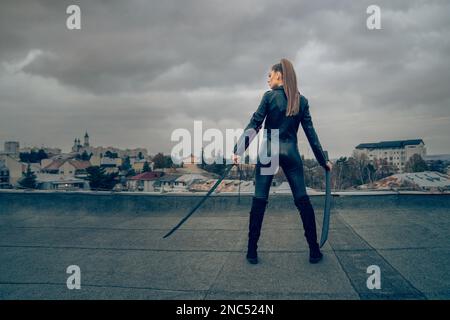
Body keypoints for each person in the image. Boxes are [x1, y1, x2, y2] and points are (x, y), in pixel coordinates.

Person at [231, 58, 332, 265]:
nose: (268, 79)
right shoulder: (301, 101)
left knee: (259, 199)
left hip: (269, 150)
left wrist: (238, 150)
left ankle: (251, 252)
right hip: (291, 152)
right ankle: (314, 251)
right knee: (302, 200)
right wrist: (323, 161)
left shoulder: (269, 97)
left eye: (270, 75)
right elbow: (311, 135)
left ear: (280, 76)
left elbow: (255, 123)